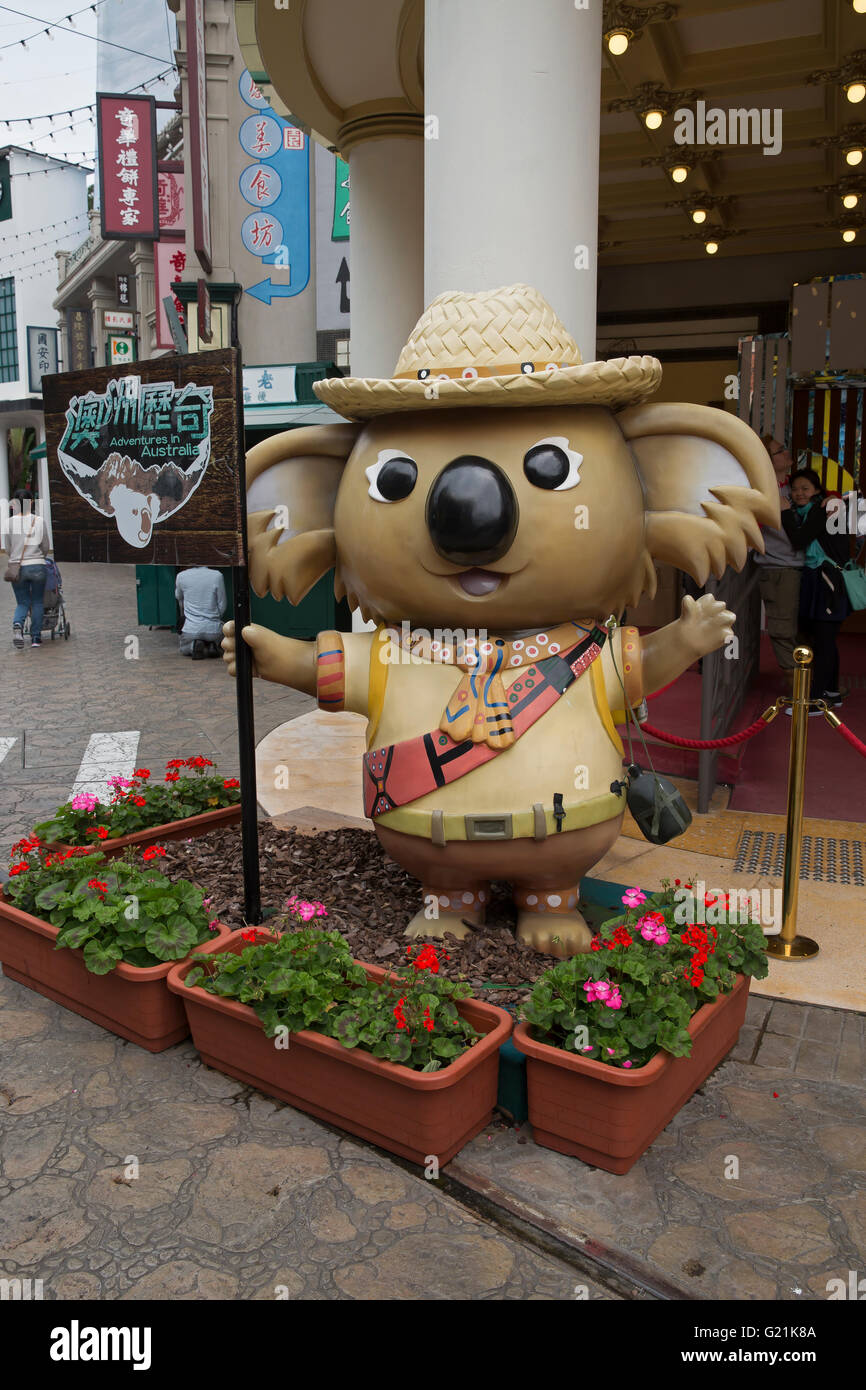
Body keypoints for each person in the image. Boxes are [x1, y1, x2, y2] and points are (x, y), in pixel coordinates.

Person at [781, 468, 850, 712]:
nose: (799, 494)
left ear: (817, 491)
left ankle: (814, 701)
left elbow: (799, 540)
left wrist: (784, 512)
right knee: (825, 640)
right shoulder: (811, 509)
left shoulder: (821, 511)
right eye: (796, 489)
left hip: (826, 582)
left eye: (805, 489)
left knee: (823, 641)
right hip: (817, 579)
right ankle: (831, 691)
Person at [755, 437, 802, 687]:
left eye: (784, 448)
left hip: (798, 567)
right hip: (779, 568)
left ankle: (810, 687)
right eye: (779, 451)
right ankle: (798, 694)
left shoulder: (794, 486)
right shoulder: (764, 491)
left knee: (800, 629)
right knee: (783, 630)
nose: (786, 452)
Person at [3, 491, 51, 650]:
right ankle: (36, 638)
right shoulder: (39, 521)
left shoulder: (9, 523)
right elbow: (45, 546)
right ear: (31, 503)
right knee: (37, 601)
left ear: (15, 504)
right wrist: (39, 558)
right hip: (37, 566)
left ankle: (18, 625)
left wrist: (16, 557)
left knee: (22, 602)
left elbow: (8, 548)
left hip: (17, 567)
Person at [175, 565, 227, 659]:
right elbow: (222, 604)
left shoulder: (181, 576)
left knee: (183, 649)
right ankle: (213, 645)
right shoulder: (217, 575)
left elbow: (179, 597)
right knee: (217, 634)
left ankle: (193, 646)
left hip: (191, 629)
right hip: (213, 629)